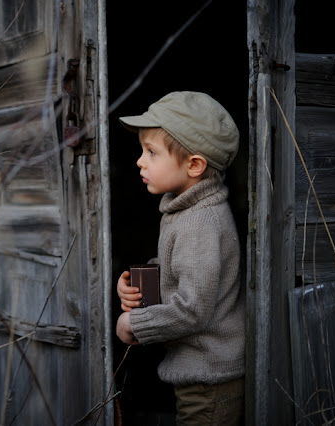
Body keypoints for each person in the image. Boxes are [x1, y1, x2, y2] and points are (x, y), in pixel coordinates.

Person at [115, 91, 245, 425]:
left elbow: (193, 309)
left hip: (209, 380)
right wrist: (136, 285)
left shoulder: (200, 222)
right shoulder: (186, 210)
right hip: (199, 375)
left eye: (151, 152)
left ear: (194, 165)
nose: (140, 161)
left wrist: (136, 324)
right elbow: (181, 267)